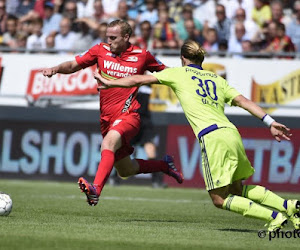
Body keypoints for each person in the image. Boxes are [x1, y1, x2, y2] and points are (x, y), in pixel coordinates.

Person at [94, 40, 300, 232]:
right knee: (237, 188)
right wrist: (270, 122)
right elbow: (244, 101)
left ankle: (274, 217)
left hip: (213, 138)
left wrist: (110, 83)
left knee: (219, 199)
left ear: (183, 59)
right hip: (231, 133)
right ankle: (288, 206)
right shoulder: (217, 79)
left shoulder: (178, 74)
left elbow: (140, 78)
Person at [41, 19, 183, 206]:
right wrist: (55, 69)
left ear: (126, 37)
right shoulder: (100, 50)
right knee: (126, 170)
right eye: (108, 37)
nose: (109, 41)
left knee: (108, 143)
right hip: (107, 119)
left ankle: (95, 190)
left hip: (129, 115)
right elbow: (73, 65)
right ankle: (165, 165)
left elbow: (169, 74)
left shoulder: (142, 55)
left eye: (113, 37)